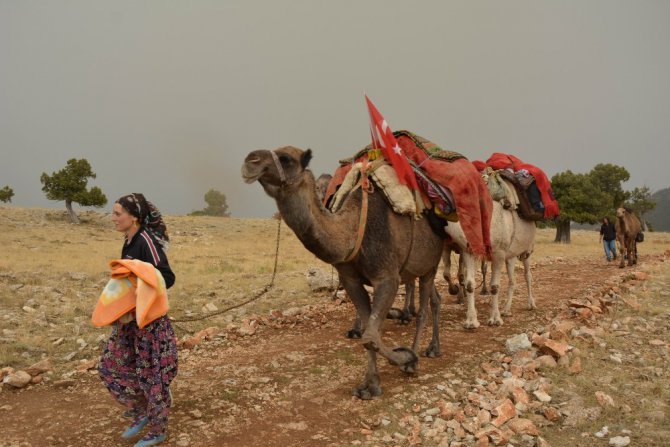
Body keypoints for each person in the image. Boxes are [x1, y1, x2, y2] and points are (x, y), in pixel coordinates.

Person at [98, 193, 177, 447]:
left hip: (150, 325)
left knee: (151, 375)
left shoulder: (145, 240)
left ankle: (158, 428)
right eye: (113, 213)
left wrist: (143, 282)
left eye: (118, 213)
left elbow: (166, 276)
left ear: (134, 217)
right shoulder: (129, 240)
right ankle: (142, 411)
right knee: (111, 366)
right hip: (129, 323)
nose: (113, 219)